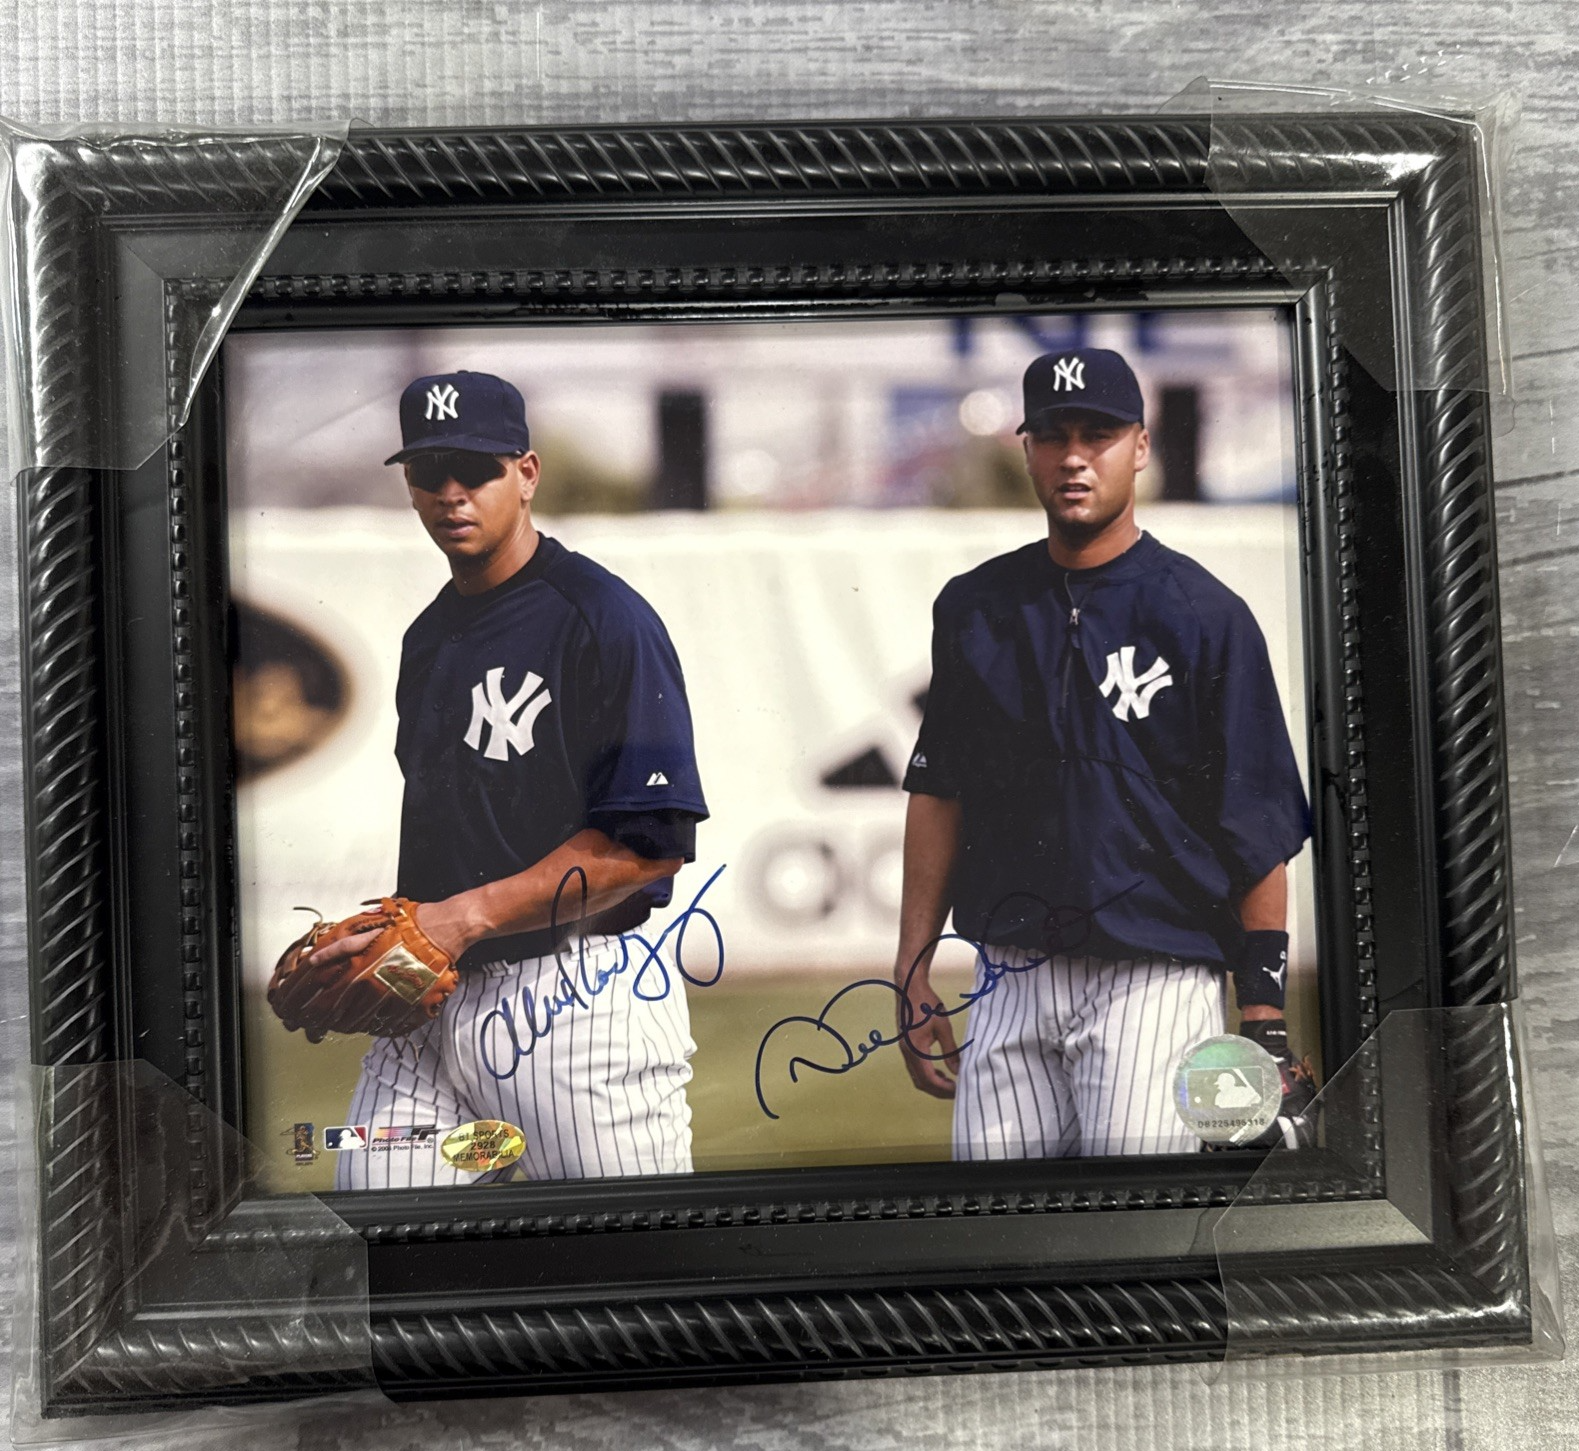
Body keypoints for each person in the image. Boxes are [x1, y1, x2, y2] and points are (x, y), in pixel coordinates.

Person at [893, 346, 1310, 1158]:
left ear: (1140, 446)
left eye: (1099, 434)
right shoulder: (975, 606)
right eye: (1053, 435)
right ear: (1026, 449)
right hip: (1008, 974)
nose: (1074, 456)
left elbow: (1256, 823)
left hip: (1153, 976)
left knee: (1134, 1221)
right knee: (998, 1231)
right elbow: (939, 791)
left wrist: (1262, 1016)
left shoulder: (1203, 614)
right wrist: (911, 966)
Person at [302, 369, 708, 1188]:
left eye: (474, 468)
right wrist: (387, 942)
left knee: (626, 1255)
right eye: (428, 470)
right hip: (430, 1000)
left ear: (526, 474)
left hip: (574, 1005)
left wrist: (457, 920)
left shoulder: (602, 619)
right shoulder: (429, 638)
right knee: (379, 1224)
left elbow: (650, 846)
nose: (450, 492)